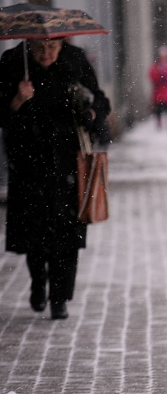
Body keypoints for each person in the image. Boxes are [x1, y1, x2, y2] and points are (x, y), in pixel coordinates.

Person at [0, 37, 111, 319]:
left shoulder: (75, 61)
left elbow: (100, 100)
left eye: (52, 47)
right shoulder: (14, 63)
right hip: (28, 162)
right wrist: (17, 99)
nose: (46, 53)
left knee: (67, 233)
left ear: (63, 45)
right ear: (29, 45)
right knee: (35, 233)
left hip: (68, 162)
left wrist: (91, 113)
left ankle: (60, 296)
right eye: (39, 48)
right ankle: (39, 283)